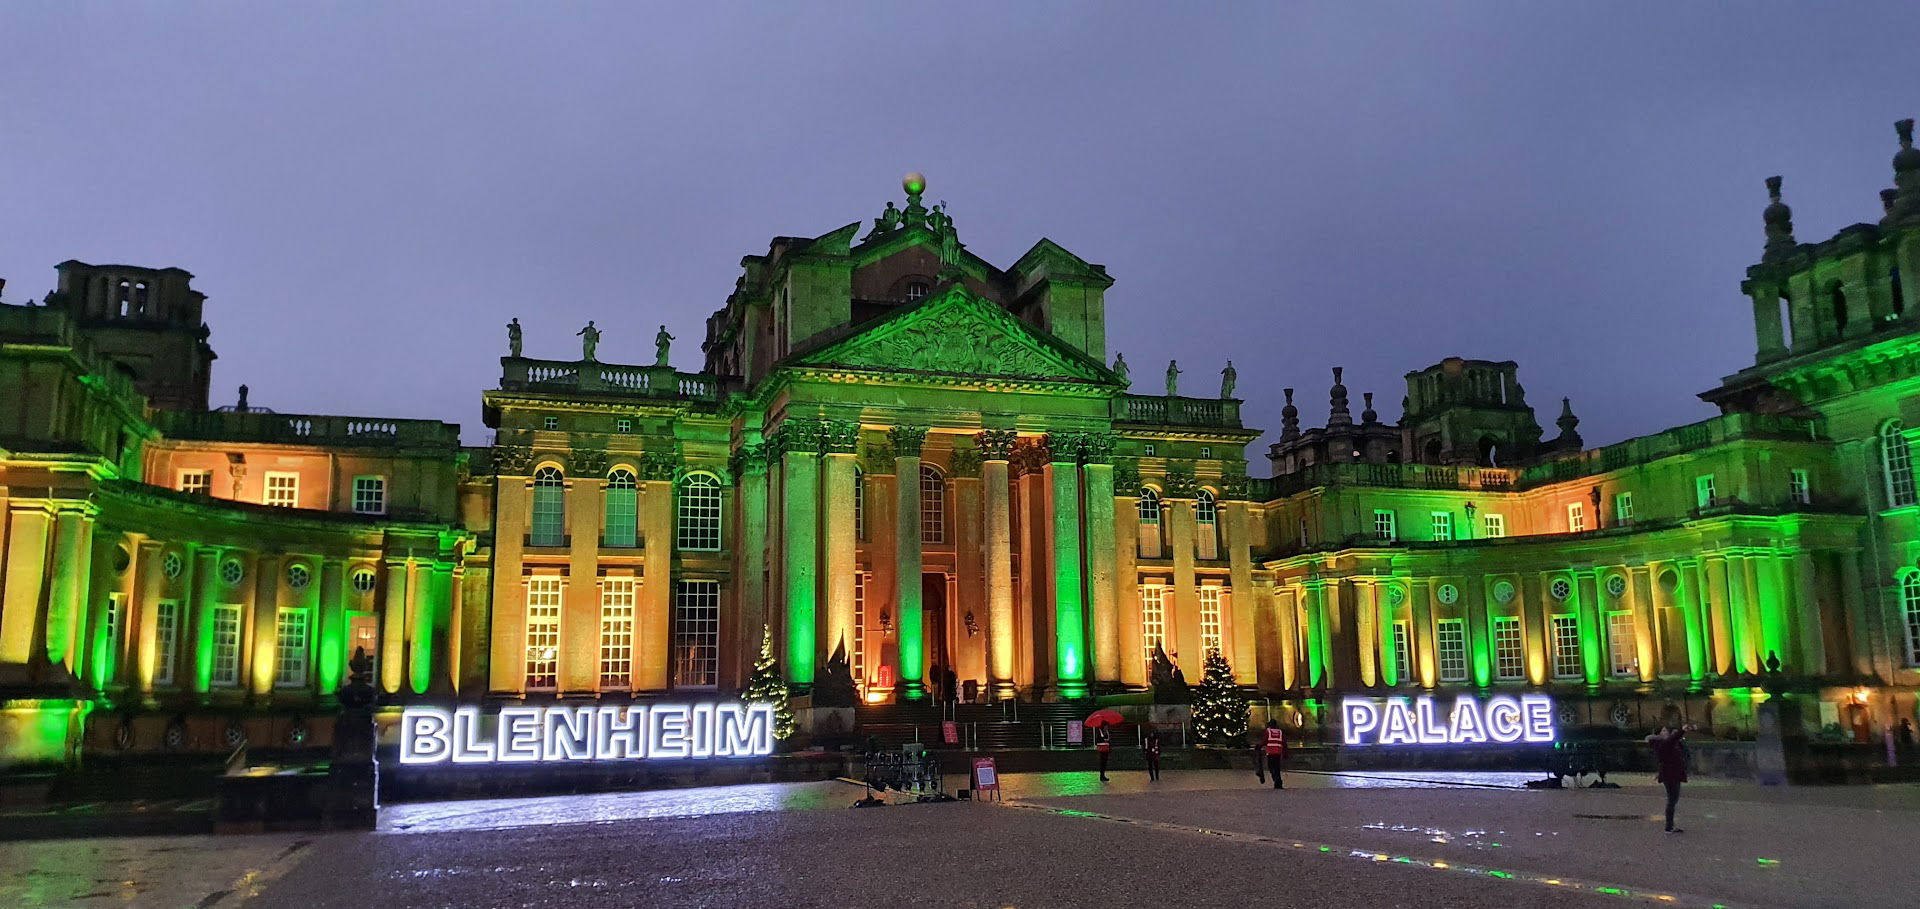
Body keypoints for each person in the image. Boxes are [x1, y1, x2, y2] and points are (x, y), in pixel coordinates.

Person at [1649, 724, 1695, 833]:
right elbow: (1671, 740)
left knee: (1673, 799)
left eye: (1666, 731)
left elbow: (1681, 748)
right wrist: (1681, 731)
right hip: (1670, 775)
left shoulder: (1670, 744)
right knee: (1672, 799)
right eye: (1663, 731)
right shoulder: (1662, 744)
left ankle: (1670, 825)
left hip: (1673, 774)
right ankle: (1669, 826)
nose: (1665, 733)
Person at [1258, 718, 1288, 789]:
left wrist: (1259, 746)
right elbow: (1284, 743)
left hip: (1270, 752)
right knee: (1277, 768)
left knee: (1271, 767)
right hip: (1278, 752)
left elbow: (1265, 741)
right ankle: (1279, 783)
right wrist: (1285, 753)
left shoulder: (1268, 731)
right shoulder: (1280, 732)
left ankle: (1276, 780)